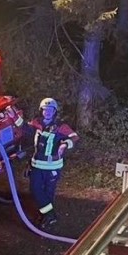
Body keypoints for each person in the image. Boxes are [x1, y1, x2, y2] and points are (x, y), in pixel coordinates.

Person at [23, 97, 78, 229]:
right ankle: (50, 214)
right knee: (35, 190)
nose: (47, 112)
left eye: (50, 110)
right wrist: (12, 116)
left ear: (54, 111)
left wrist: (65, 144)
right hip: (37, 165)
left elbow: (75, 137)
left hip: (53, 167)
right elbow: (24, 128)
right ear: (41, 110)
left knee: (48, 192)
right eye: (45, 109)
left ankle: (46, 216)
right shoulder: (36, 123)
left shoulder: (61, 126)